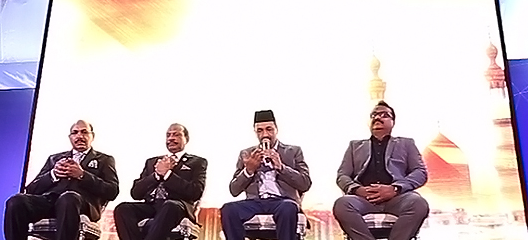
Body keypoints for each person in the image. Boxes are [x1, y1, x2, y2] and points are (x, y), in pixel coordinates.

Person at [4, 120, 119, 240]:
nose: (79, 136)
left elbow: (112, 191)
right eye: (75, 132)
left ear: (92, 136)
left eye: (84, 132)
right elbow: (32, 189)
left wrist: (82, 175)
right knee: (16, 201)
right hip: (50, 201)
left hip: (80, 203)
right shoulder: (54, 159)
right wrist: (53, 174)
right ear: (70, 137)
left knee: (68, 198)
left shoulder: (104, 160)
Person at [333, 101, 429, 240]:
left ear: (393, 122)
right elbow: (342, 175)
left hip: (397, 198)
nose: (378, 117)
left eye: (384, 115)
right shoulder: (355, 146)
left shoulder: (406, 144)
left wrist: (395, 189)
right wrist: (357, 189)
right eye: (374, 115)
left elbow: (420, 172)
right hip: (363, 199)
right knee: (342, 204)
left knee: (418, 204)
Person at [221, 110, 311, 240]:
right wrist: (248, 170)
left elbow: (305, 184)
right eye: (260, 131)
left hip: (282, 201)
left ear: (276, 129)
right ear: (255, 132)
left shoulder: (293, 151)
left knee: (288, 207)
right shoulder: (247, 154)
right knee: (228, 209)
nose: (265, 135)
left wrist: (281, 167)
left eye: (269, 129)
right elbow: (234, 190)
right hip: (255, 202)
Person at [114, 123, 207, 240]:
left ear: (186, 139)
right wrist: (157, 175)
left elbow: (196, 192)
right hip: (152, 206)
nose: (171, 138)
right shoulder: (152, 162)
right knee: (123, 209)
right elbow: (136, 193)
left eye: (176, 135)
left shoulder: (197, 162)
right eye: (168, 135)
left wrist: (167, 174)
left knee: (170, 205)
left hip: (177, 207)